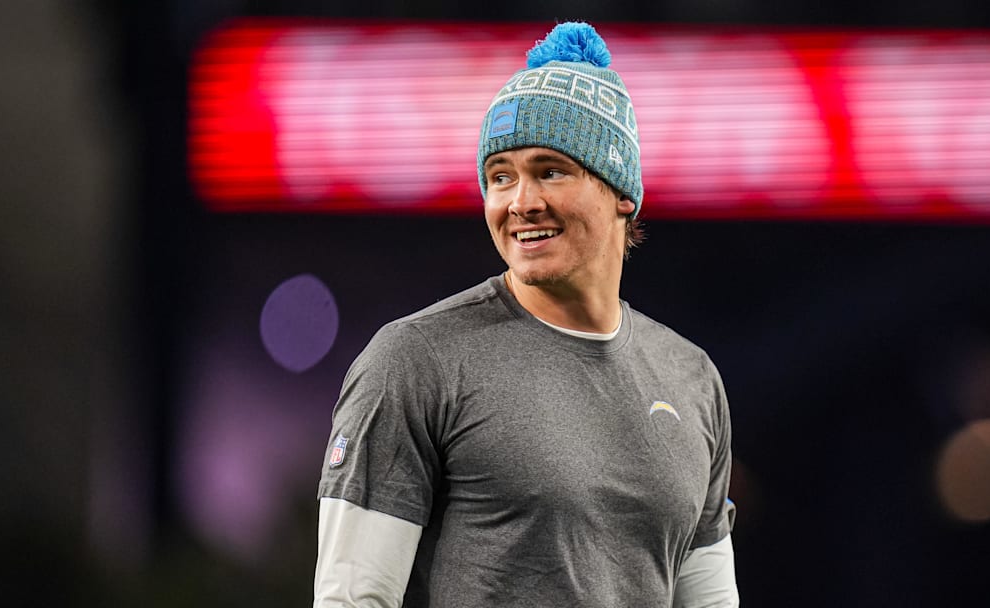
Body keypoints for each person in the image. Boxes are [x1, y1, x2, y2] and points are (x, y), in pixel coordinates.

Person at [314, 21, 739, 607]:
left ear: (622, 191)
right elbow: (351, 598)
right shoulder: (415, 360)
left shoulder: (691, 378)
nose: (520, 202)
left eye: (550, 171)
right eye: (500, 177)